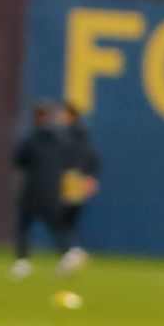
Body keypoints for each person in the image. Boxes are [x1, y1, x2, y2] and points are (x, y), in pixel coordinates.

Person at [9, 101, 99, 278]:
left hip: (32, 191)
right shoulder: (62, 139)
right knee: (57, 226)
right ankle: (69, 253)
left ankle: (23, 262)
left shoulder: (31, 138)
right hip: (54, 191)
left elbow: (18, 160)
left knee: (24, 226)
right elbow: (75, 160)